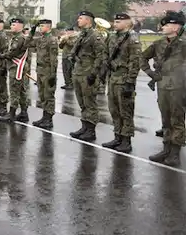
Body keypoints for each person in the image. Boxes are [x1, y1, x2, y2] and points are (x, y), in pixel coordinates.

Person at [141, 11, 186, 166]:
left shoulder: (183, 44)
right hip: (163, 87)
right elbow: (142, 57)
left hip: (179, 88)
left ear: (176, 27)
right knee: (166, 119)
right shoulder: (159, 43)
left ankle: (175, 153)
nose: (162, 27)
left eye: (166, 25)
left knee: (177, 120)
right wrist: (150, 73)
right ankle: (166, 149)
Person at [99, 13, 141, 154]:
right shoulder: (112, 37)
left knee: (126, 111)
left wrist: (130, 82)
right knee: (114, 110)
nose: (114, 24)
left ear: (127, 23)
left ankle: (126, 140)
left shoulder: (132, 39)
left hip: (124, 80)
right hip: (113, 78)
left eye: (118, 22)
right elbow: (105, 53)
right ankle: (117, 136)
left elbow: (135, 62)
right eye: (114, 21)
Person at [68, 11, 105, 142]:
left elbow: (100, 56)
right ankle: (84, 126)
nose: (78, 20)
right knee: (82, 102)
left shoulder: (95, 35)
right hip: (78, 71)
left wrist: (94, 73)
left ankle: (91, 130)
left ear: (88, 21)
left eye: (81, 18)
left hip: (88, 72)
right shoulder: (82, 35)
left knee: (90, 102)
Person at [0, 18, 30, 123]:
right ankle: (24, 113)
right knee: (21, 90)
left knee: (14, 90)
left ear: (19, 26)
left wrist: (1, 56)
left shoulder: (19, 38)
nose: (11, 27)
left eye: (13, 25)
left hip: (16, 67)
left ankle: (11, 114)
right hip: (17, 66)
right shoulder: (17, 37)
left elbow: (12, 53)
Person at [30, 19, 58, 129]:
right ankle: (44, 117)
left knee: (48, 96)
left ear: (48, 27)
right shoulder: (41, 39)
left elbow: (54, 59)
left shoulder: (51, 40)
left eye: (42, 26)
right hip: (40, 70)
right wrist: (32, 31)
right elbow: (29, 42)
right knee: (42, 95)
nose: (40, 28)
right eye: (40, 26)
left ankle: (49, 119)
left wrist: (52, 74)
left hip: (47, 71)